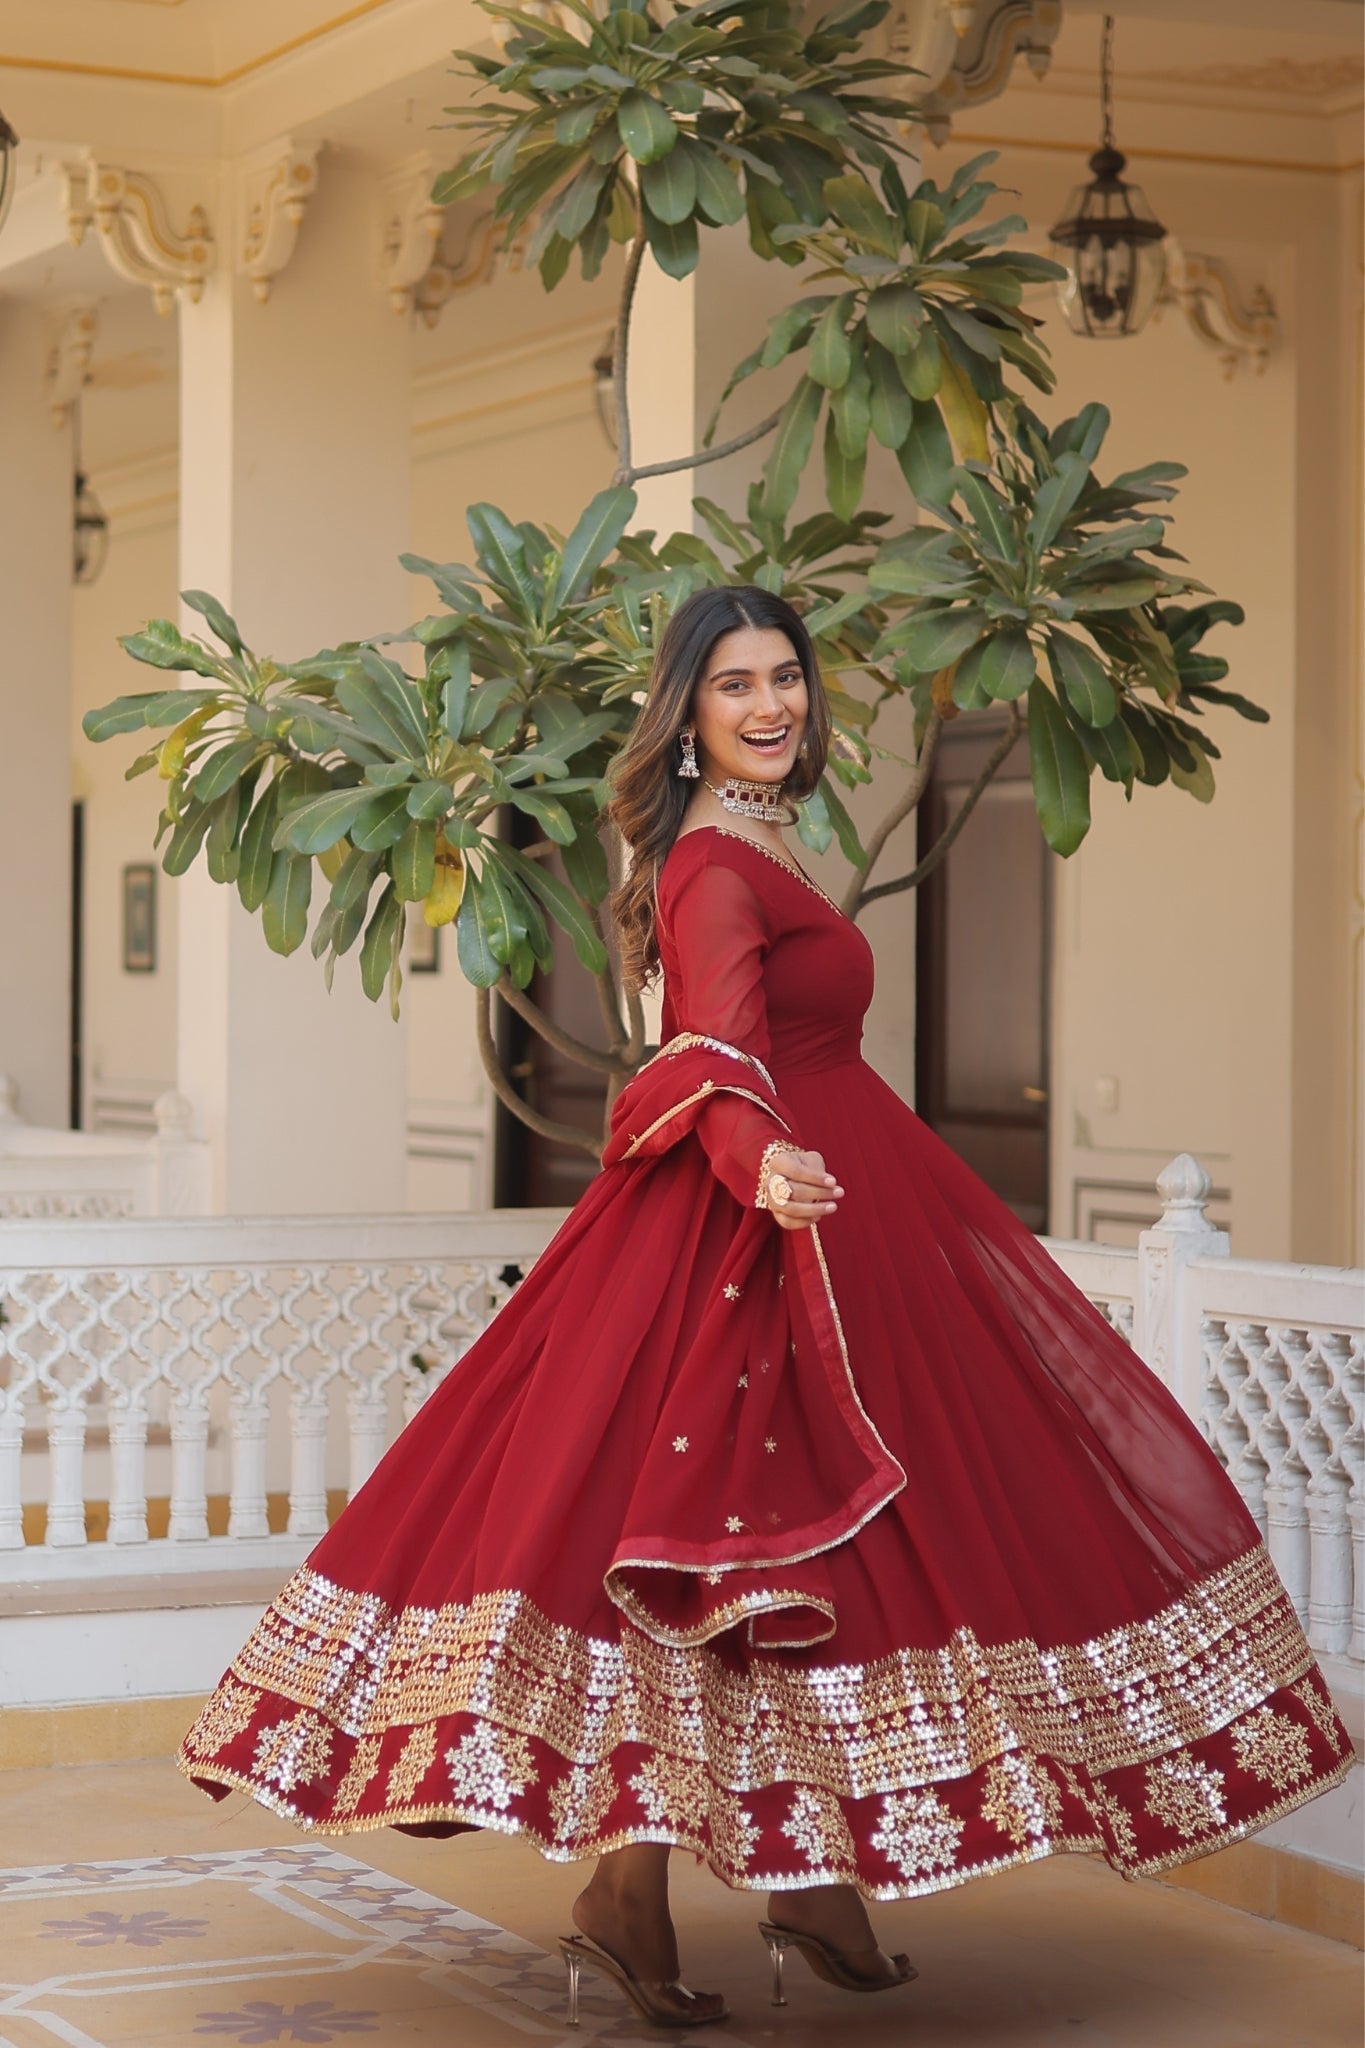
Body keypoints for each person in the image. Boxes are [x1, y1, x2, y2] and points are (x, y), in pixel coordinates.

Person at [181, 585, 1352, 2032]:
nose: (769, 705)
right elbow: (709, 1049)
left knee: (833, 1563)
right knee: (703, 1560)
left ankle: (803, 1878)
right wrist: (762, 1162)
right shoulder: (709, 862)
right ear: (685, 718)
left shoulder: (770, 833)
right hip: (752, 1227)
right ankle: (627, 1896)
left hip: (848, 1205)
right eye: (733, 685)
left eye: (784, 678)